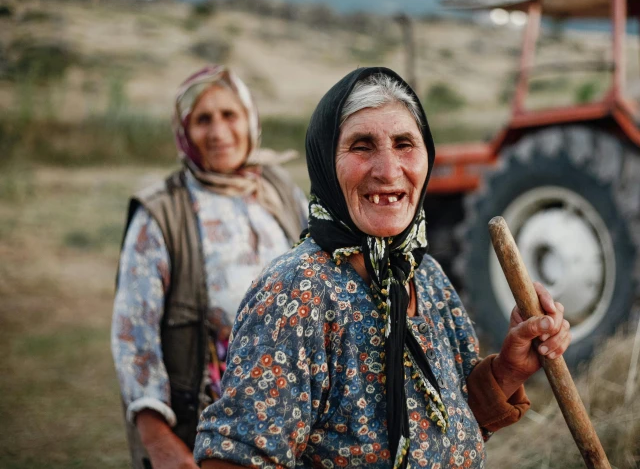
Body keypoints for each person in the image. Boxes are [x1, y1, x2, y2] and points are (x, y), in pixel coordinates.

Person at [194, 67, 572, 468]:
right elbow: (235, 456)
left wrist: (508, 369)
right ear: (325, 162)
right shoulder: (297, 294)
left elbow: (451, 423)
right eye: (362, 146)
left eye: (404, 144)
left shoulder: (425, 276)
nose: (389, 171)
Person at [111, 65, 308, 469]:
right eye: (202, 119)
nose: (218, 132)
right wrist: (157, 436)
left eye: (229, 115)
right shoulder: (162, 212)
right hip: (207, 424)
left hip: (294, 414)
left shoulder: (279, 190)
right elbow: (134, 334)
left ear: (250, 120)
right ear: (183, 131)